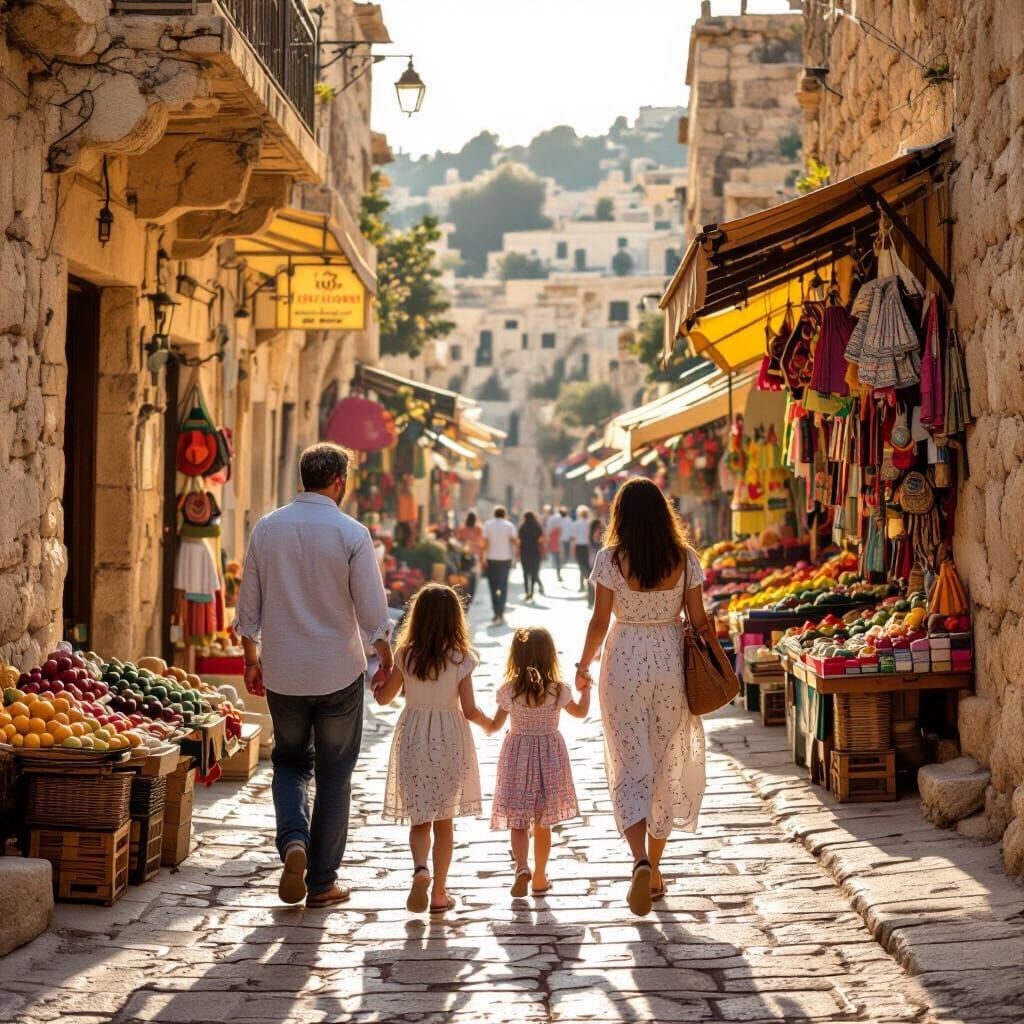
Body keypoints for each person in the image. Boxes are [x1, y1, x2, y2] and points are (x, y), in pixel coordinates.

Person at [236, 442, 393, 909]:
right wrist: (387, 658)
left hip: (283, 670)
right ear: (339, 481)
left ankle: (293, 844)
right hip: (338, 674)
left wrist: (250, 658)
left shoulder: (267, 528)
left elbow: (249, 605)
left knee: (288, 762)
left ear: (302, 478)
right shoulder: (352, 533)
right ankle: (322, 882)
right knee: (334, 773)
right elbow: (371, 609)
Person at [574, 477, 714, 917]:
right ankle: (654, 868)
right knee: (667, 762)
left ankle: (636, 860)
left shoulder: (610, 560)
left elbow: (599, 622)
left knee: (630, 761)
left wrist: (582, 666)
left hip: (623, 660)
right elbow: (699, 619)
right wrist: (718, 660)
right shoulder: (685, 559)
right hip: (671, 660)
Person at [374, 584, 491, 914]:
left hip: (413, 735)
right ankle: (439, 892)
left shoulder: (405, 655)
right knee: (444, 820)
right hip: (450, 739)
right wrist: (489, 723)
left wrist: (376, 686)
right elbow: (469, 708)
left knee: (419, 817)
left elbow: (385, 698)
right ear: (456, 619)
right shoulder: (461, 658)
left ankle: (420, 867)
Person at [489, 627, 589, 897]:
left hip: (517, 754)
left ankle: (522, 867)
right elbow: (580, 712)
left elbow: (495, 725)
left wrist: (480, 721)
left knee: (518, 820)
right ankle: (540, 877)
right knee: (543, 822)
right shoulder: (558, 690)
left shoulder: (509, 691)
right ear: (549, 656)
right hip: (550, 756)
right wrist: (586, 689)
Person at [483, 505, 519, 625]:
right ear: (504, 514)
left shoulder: (488, 525)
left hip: (492, 559)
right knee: (503, 586)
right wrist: (517, 553)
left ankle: (496, 613)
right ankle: (501, 613)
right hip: (505, 559)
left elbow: (486, 543)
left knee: (493, 587)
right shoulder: (509, 526)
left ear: (494, 514)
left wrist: (483, 557)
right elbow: (515, 542)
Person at [454, 510, 485, 602]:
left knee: (464, 574)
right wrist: (482, 556)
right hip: (475, 555)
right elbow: (482, 543)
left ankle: (464, 593)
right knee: (474, 576)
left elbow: (458, 540)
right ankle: (470, 595)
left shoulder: (462, 528)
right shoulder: (479, 529)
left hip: (464, 554)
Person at [518, 510, 545, 601]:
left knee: (525, 572)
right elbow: (541, 539)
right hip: (535, 552)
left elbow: (519, 541)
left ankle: (526, 592)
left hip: (524, 552)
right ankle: (532, 592)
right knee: (534, 572)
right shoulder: (537, 526)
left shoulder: (522, 527)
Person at [572, 506, 592, 593]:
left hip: (579, 546)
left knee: (581, 566)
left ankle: (581, 586)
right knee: (588, 566)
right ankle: (588, 585)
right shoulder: (589, 523)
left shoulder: (576, 524)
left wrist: (572, 549)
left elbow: (574, 538)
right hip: (587, 547)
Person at [544, 506, 564, 581]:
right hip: (559, 539)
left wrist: (548, 540)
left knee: (554, 555)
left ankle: (555, 568)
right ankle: (558, 573)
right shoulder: (559, 517)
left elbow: (548, 530)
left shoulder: (550, 519)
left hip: (553, 539)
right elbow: (562, 528)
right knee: (558, 557)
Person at [559, 507, 573, 576]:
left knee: (563, 550)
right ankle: (565, 559)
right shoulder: (569, 520)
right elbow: (571, 528)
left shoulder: (560, 520)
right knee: (566, 549)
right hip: (567, 538)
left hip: (561, 538)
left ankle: (564, 560)